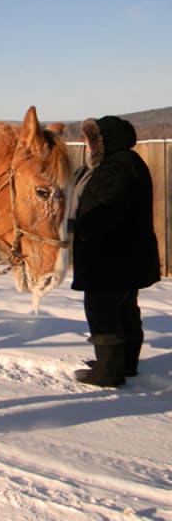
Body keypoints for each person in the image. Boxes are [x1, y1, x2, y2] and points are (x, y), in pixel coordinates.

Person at [69, 116, 160, 387]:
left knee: (102, 312)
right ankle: (125, 363)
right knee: (126, 310)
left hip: (109, 257)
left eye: (89, 141)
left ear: (103, 142)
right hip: (128, 255)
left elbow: (103, 211)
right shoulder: (131, 163)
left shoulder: (113, 169)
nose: (86, 146)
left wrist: (80, 228)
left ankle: (108, 372)